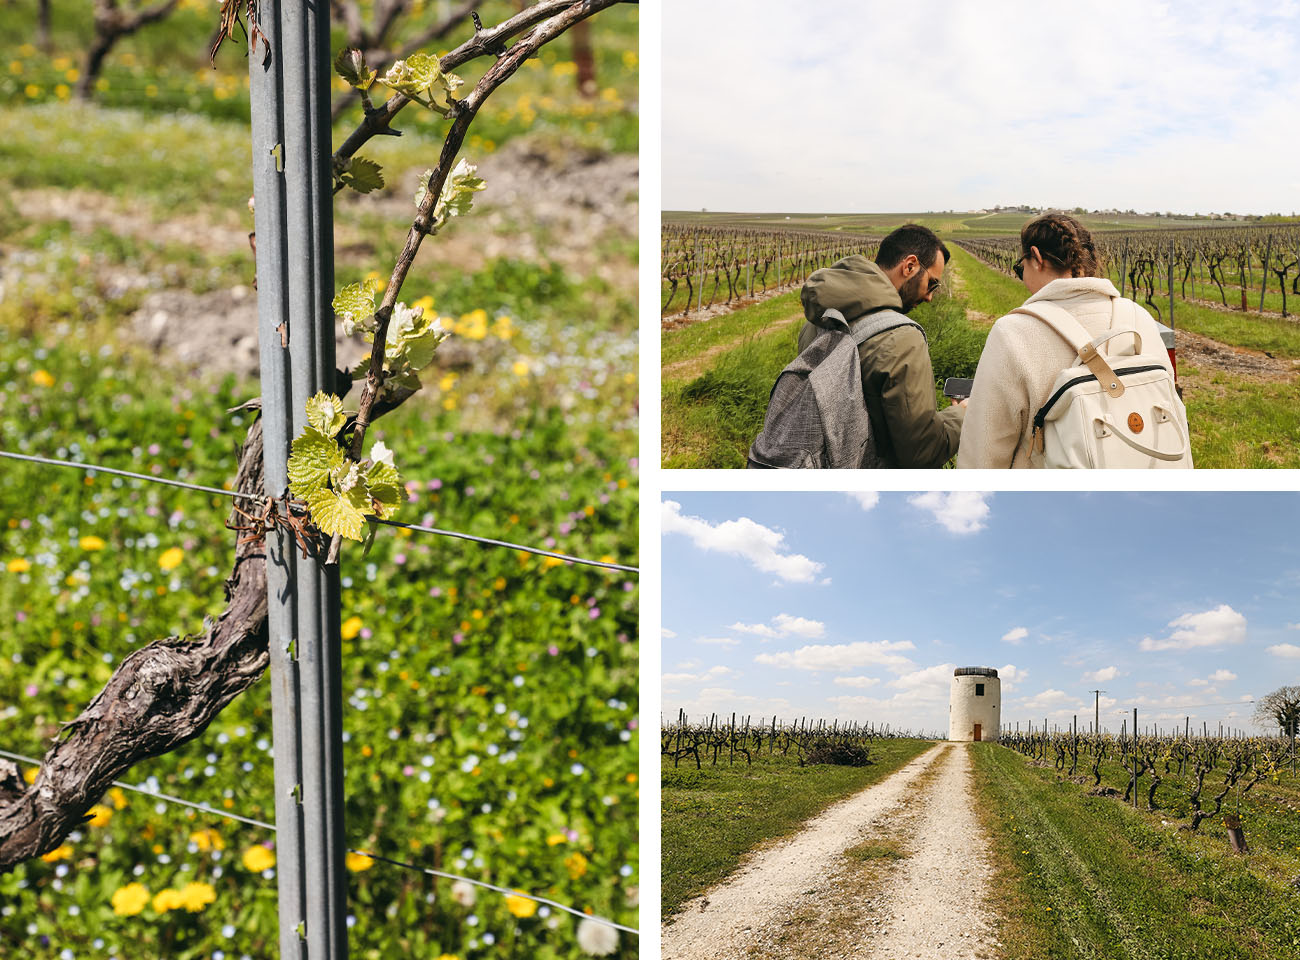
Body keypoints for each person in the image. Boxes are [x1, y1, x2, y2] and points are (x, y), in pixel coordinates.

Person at [956, 213, 1180, 468]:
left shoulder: (1012, 332)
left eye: (1021, 267)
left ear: (1036, 258)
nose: (1021, 275)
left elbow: (983, 452)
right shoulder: (1138, 316)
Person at [794, 224, 964, 468]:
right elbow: (921, 452)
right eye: (932, 284)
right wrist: (962, 414)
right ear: (910, 266)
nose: (929, 296)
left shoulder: (816, 322)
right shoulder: (902, 339)